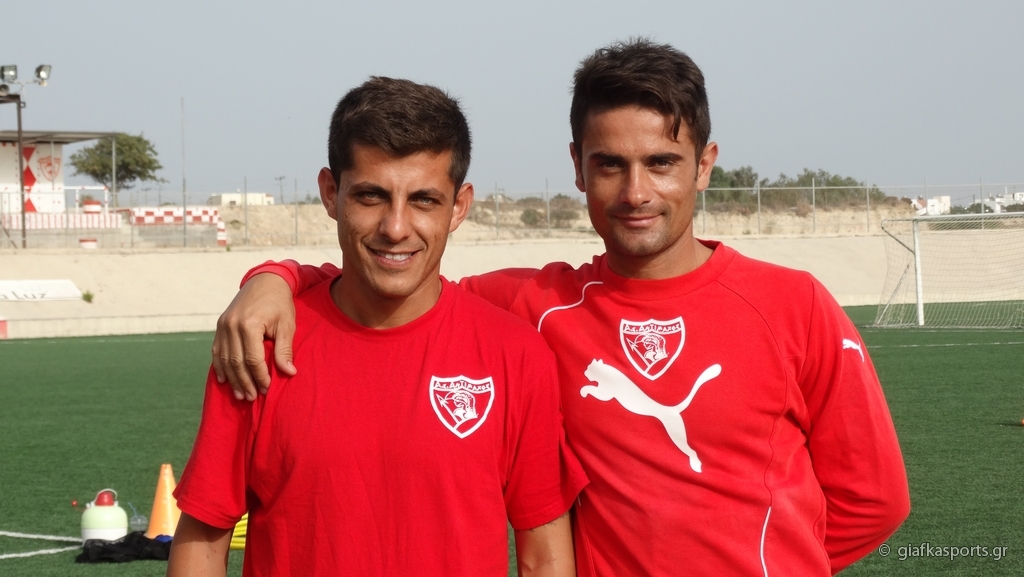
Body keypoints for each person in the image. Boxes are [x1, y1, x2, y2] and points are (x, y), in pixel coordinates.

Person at [213, 40, 910, 575]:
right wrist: (273, 277)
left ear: (704, 165)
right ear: (577, 166)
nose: (636, 191)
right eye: (610, 164)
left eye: (661, 162)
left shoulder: (793, 305)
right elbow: (393, 280)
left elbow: (873, 501)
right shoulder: (534, 306)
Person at [168, 77, 586, 577]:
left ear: (459, 207)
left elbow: (544, 557)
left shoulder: (516, 354)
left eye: (424, 200)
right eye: (371, 196)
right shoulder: (260, 345)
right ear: (331, 193)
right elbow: (203, 543)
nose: (395, 227)